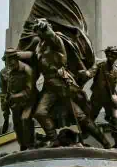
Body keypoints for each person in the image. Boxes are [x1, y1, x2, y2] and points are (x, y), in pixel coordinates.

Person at [17, 19, 111, 148]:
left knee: (80, 117)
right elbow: (32, 56)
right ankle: (54, 139)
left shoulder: (56, 41)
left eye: (40, 30)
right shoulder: (40, 46)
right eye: (37, 30)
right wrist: (14, 55)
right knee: (40, 112)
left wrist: (45, 27)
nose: (38, 33)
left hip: (62, 84)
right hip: (49, 86)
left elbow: (51, 35)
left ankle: (105, 143)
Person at [81, 46, 117, 149]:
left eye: (113, 55)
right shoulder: (100, 66)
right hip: (97, 98)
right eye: (109, 54)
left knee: (116, 119)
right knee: (89, 119)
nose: (110, 56)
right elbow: (91, 72)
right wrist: (86, 74)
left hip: (111, 99)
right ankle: (81, 139)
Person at [0, 49, 37, 150]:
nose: (8, 63)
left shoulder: (27, 69)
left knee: (25, 119)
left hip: (29, 101)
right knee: (17, 125)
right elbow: (3, 90)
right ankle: (23, 146)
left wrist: (13, 97)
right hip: (15, 104)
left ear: (16, 59)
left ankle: (31, 145)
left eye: (11, 60)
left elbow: (29, 91)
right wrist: (5, 108)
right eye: (6, 60)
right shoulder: (4, 72)